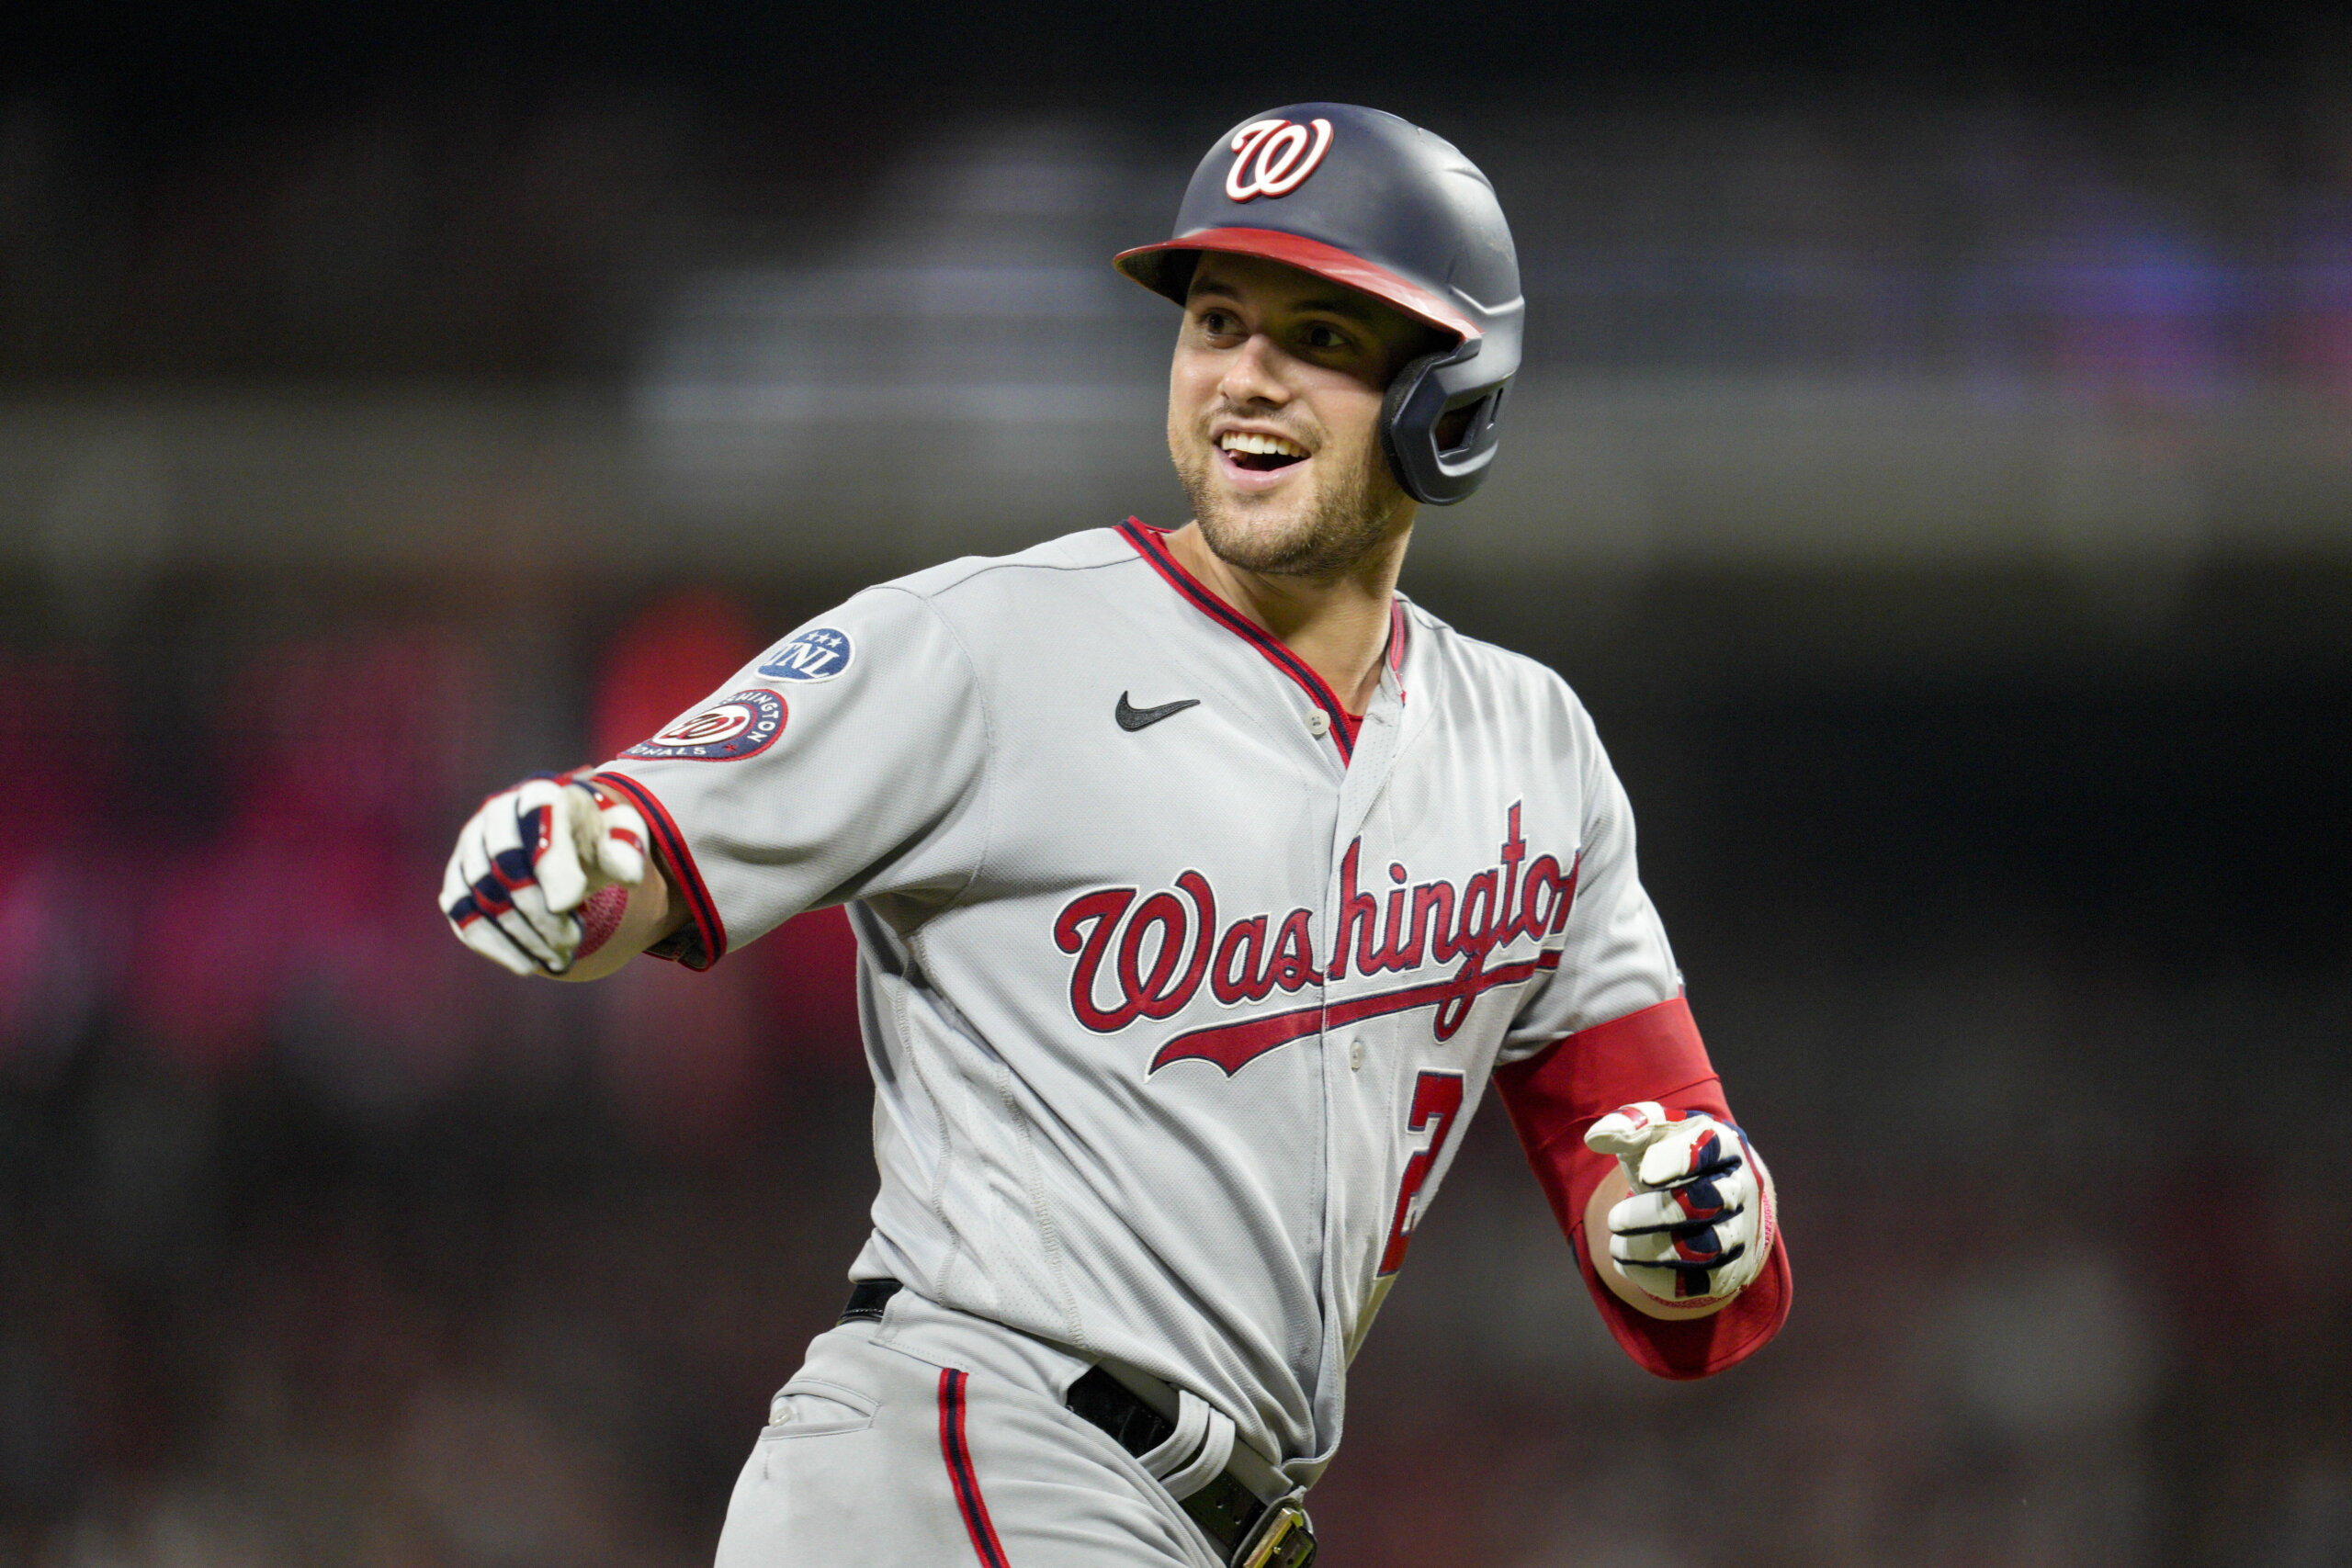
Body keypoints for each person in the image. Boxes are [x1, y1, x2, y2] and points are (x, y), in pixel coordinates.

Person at [440, 103, 1791, 1568]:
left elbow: (1658, 1165)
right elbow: (645, 837)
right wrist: (575, 859)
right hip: (969, 1462)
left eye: (1320, 339)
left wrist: (1692, 1224)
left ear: (1447, 399)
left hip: (1184, 1521)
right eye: (1216, 323)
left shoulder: (1532, 748)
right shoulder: (995, 642)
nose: (1245, 378)